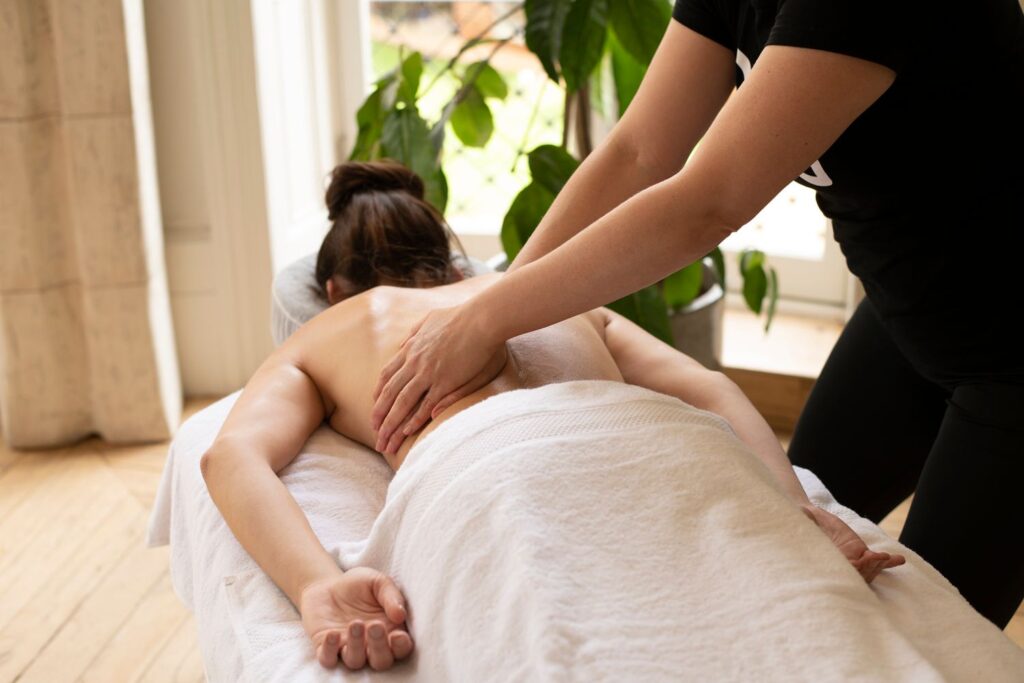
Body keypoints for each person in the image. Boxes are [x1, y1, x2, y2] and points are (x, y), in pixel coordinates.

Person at [370, 1, 1024, 628]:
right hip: (910, 312)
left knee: (930, 632)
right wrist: (495, 305)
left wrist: (487, 318)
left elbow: (708, 202)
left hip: (1011, 349)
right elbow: (639, 152)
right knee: (788, 524)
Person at [200, 161, 903, 672]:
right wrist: (793, 509)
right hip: (661, 450)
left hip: (499, 476)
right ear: (453, 268)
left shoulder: (330, 327)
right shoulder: (543, 296)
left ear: (331, 288)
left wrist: (316, 582)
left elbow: (229, 456)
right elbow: (710, 386)